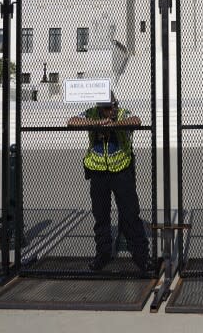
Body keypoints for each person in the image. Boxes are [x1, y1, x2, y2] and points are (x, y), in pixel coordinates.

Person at [67, 93, 151, 272]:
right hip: (98, 172)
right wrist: (97, 124)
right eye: (107, 108)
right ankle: (103, 254)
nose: (111, 110)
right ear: (99, 108)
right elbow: (72, 121)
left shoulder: (121, 114)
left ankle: (141, 256)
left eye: (113, 105)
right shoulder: (91, 114)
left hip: (121, 170)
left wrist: (114, 125)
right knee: (101, 216)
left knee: (130, 214)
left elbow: (136, 120)